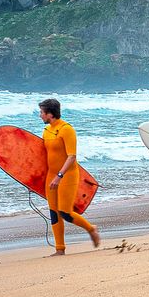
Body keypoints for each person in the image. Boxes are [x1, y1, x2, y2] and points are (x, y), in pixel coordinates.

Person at [38, 98, 101, 256]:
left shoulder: (67, 129)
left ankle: (91, 229)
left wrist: (59, 176)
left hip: (67, 175)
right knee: (53, 212)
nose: (40, 115)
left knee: (65, 212)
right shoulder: (46, 131)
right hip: (51, 176)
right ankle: (60, 248)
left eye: (42, 112)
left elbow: (71, 156)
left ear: (50, 114)